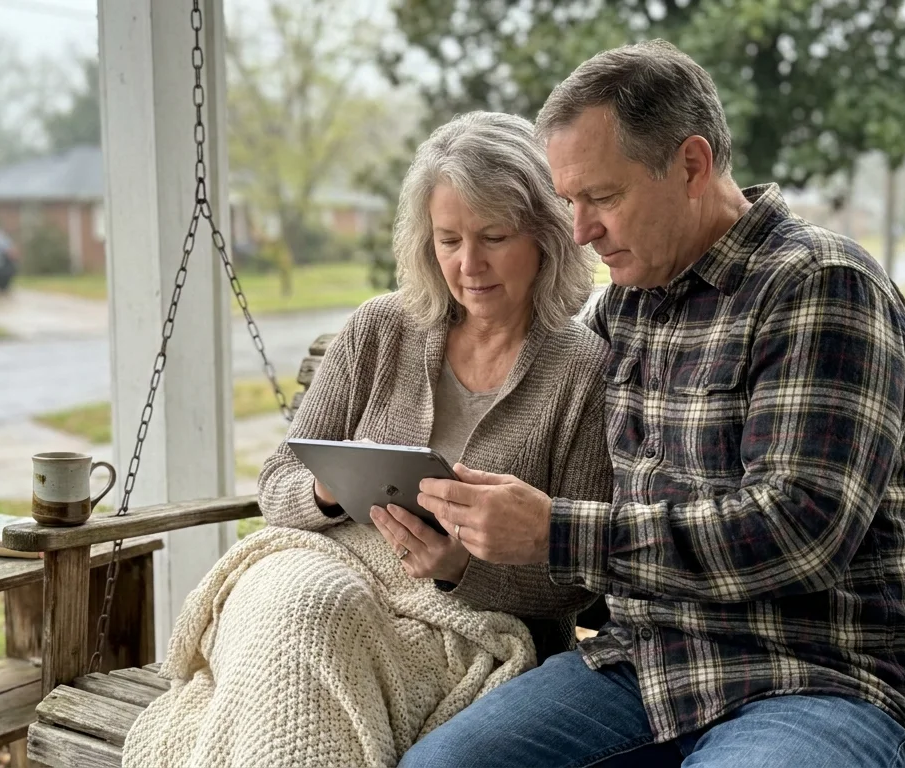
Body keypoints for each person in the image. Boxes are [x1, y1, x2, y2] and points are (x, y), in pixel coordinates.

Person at [404, 40, 905, 768]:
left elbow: (799, 533)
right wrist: (462, 545)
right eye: (569, 202)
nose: (580, 230)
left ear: (692, 165)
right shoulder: (623, 309)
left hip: (820, 682)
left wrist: (554, 531)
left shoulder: (819, 286)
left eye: (602, 197)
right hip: (648, 671)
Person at [121, 111, 613, 768]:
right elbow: (276, 485)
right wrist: (327, 489)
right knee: (303, 602)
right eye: (448, 240)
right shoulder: (380, 329)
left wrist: (460, 569)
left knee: (317, 624)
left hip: (467, 624)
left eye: (494, 236)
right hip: (324, 567)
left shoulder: (583, 370)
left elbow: (578, 583)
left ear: (547, 235)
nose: (469, 265)